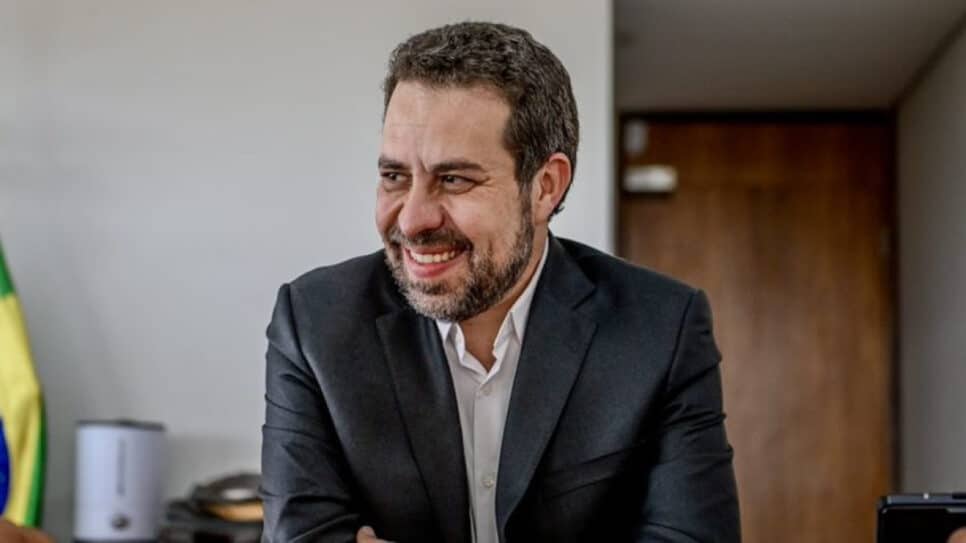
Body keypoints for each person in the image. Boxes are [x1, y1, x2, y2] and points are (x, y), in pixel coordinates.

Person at [260, 21, 740, 543]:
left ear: (545, 188)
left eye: (454, 179)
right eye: (395, 177)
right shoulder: (315, 324)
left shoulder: (661, 329)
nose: (413, 220)